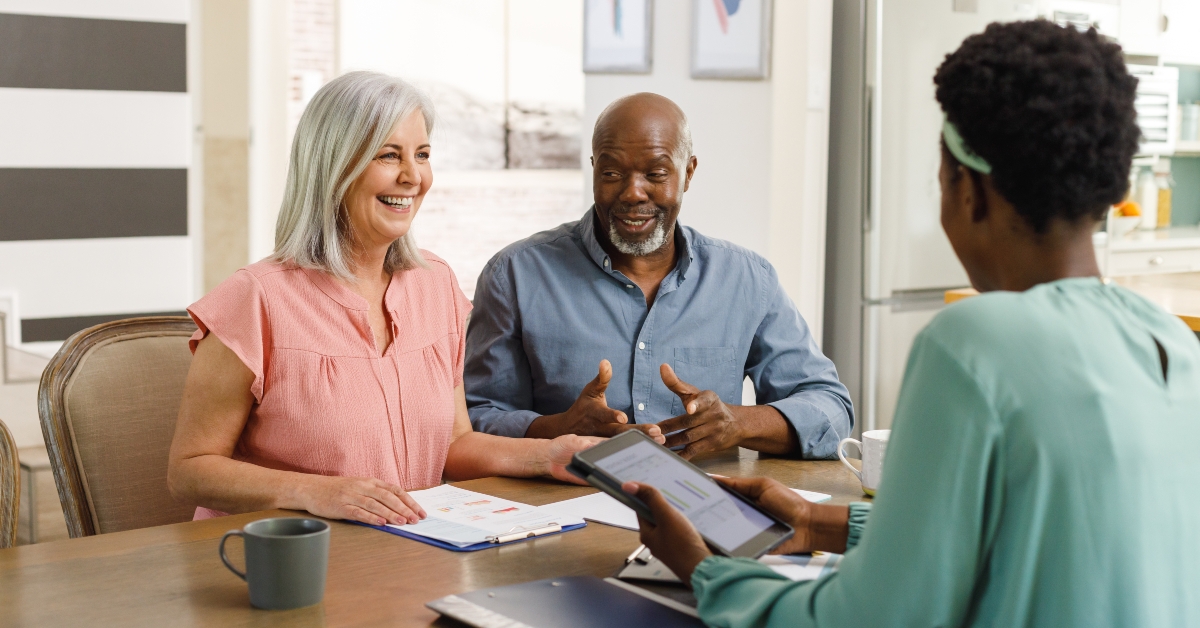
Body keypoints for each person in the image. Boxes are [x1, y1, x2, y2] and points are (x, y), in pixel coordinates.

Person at [626, 21, 1200, 627]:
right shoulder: (1170, 343)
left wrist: (705, 570)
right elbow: (1047, 524)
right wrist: (820, 520)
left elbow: (871, 618)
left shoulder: (975, 344)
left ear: (969, 191)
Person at [167, 72, 597, 527]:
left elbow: (452, 444)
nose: (413, 177)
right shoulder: (255, 298)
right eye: (390, 155)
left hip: (408, 550)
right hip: (282, 558)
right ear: (334, 166)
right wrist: (312, 491)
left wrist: (551, 455)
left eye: (423, 155)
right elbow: (189, 469)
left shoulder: (436, 284)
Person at [465, 93, 853, 459]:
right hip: (562, 508)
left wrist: (739, 423)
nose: (633, 193)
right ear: (594, 169)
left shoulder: (747, 280)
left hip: (705, 506)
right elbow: (470, 419)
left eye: (655, 173)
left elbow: (829, 407)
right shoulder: (515, 275)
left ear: (688, 173)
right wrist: (555, 429)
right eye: (613, 172)